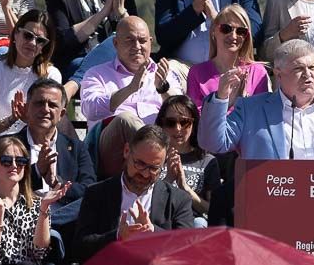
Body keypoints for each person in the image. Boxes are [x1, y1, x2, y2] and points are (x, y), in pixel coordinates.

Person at [0, 78, 96, 239]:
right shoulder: (8, 145)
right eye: (39, 103)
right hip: (22, 209)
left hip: (63, 215)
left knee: (92, 202)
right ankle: (42, 224)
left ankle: (45, 223)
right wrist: (36, 171)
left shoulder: (77, 148)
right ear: (27, 109)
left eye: (52, 105)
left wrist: (56, 183)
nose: (45, 109)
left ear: (62, 113)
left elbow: (89, 189)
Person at [71, 125, 195, 262]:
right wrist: (117, 236)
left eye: (154, 168)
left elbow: (187, 249)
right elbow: (80, 248)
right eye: (140, 164)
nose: (145, 173)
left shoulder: (179, 200)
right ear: (126, 151)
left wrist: (153, 233)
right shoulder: (97, 193)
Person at [80, 16, 182, 177]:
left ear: (150, 42)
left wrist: (162, 89)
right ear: (116, 44)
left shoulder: (165, 74)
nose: (137, 46)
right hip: (112, 154)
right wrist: (129, 89)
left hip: (159, 148)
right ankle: (159, 167)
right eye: (129, 40)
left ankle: (156, 166)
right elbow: (91, 110)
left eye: (142, 41)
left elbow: (181, 113)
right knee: (125, 119)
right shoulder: (96, 74)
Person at [0, 136, 71, 264]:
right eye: (6, 161)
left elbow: (39, 252)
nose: (15, 166)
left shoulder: (36, 204)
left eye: (21, 161)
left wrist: (44, 207)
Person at [0, 10, 62, 142]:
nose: (33, 43)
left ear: (45, 46)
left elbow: (52, 128)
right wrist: (11, 120)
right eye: (28, 36)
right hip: (0, 146)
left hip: (37, 145)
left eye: (40, 40)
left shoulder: (51, 75)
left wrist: (30, 120)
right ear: (15, 34)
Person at [186, 4, 270, 111]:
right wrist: (225, 101)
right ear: (213, 31)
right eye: (226, 29)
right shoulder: (197, 73)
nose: (233, 36)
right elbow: (196, 120)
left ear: (246, 37)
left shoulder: (258, 72)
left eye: (241, 31)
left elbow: (261, 117)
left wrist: (244, 104)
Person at [158, 95, 220, 228]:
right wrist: (168, 179)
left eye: (184, 122)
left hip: (191, 223)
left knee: (199, 224)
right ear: (162, 124)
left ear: (194, 124)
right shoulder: (155, 156)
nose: (178, 128)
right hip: (158, 220)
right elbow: (142, 199)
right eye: (170, 122)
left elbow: (213, 210)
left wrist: (185, 189)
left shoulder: (207, 161)